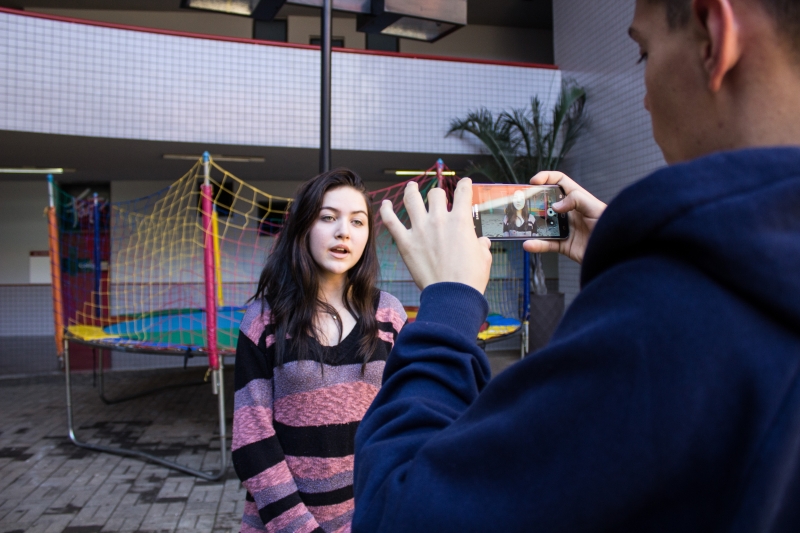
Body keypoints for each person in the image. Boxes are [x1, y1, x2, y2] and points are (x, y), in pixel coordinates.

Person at [352, 0, 800, 531]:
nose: (645, 97)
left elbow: (397, 510)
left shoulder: (666, 328)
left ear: (714, 33)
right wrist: (631, 251)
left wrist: (447, 305)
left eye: (643, 53)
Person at [232, 169, 406, 533]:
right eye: (328, 217)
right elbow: (252, 440)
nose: (344, 231)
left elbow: (403, 420)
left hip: (369, 518)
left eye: (357, 221)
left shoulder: (389, 314)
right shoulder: (264, 319)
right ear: (304, 227)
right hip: (282, 525)